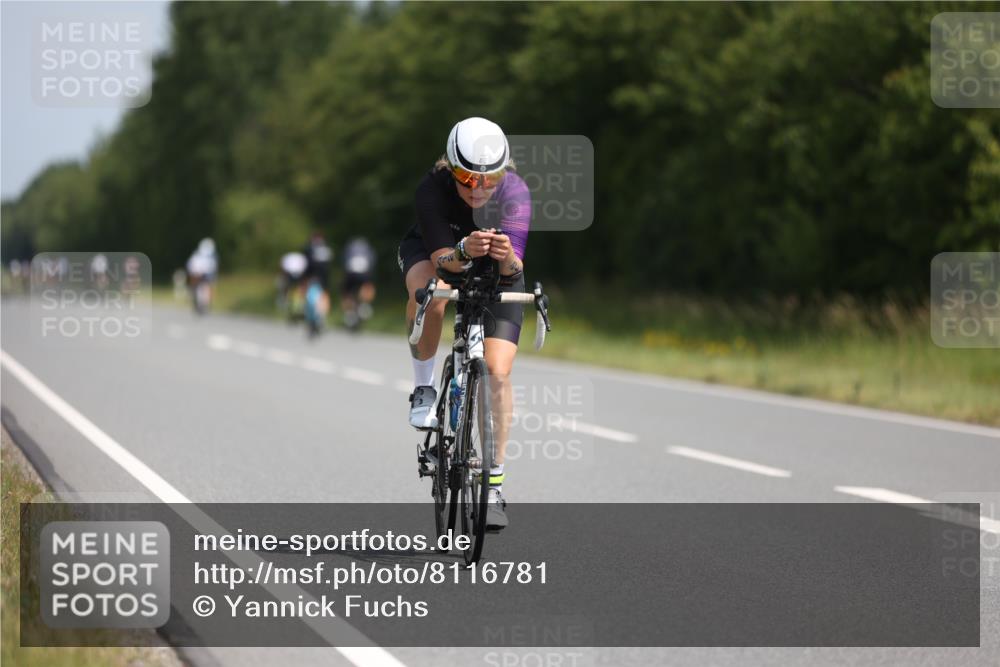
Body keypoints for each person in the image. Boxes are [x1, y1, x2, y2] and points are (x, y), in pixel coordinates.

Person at [397, 117, 530, 529]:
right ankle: (423, 386)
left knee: (496, 372)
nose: (477, 189)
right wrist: (463, 248)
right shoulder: (432, 189)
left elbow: (514, 268)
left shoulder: (515, 192)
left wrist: (505, 255)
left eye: (488, 178)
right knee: (430, 292)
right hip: (437, 256)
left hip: (496, 273)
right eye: (466, 176)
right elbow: (442, 262)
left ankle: (493, 484)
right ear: (449, 168)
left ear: (502, 173)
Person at [340, 236, 377, 330]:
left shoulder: (349, 248)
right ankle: (365, 304)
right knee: (368, 286)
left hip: (350, 273)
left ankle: (349, 313)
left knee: (346, 292)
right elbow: (372, 262)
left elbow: (344, 261)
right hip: (364, 273)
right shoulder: (368, 249)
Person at [186, 238, 218, 312]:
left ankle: (206, 302)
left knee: (209, 286)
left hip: (206, 275)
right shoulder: (197, 256)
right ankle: (195, 298)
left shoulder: (211, 257)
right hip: (197, 274)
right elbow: (191, 266)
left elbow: (212, 268)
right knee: (195, 285)